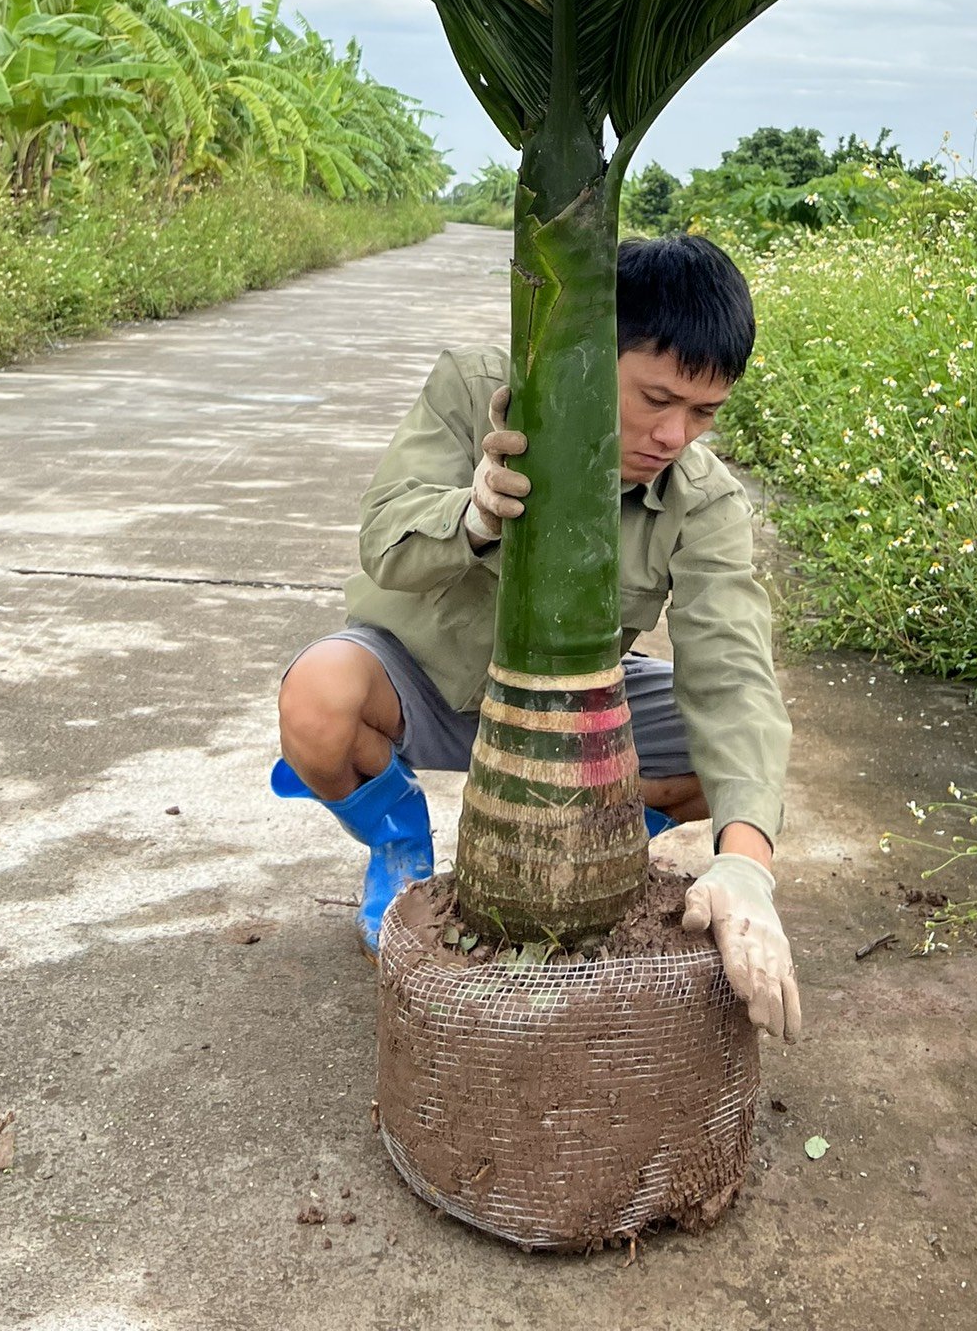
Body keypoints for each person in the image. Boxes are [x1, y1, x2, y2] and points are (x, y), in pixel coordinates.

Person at [273, 233, 801, 1041]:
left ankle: (599, 844)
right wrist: (473, 514)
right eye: (656, 399)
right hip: (422, 680)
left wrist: (747, 867)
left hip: (573, 715)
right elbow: (383, 540)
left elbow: (732, 678)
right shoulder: (472, 390)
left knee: (736, 767)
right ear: (588, 352)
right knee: (319, 698)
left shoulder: (704, 500)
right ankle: (398, 842)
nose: (674, 435)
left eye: (703, 412)